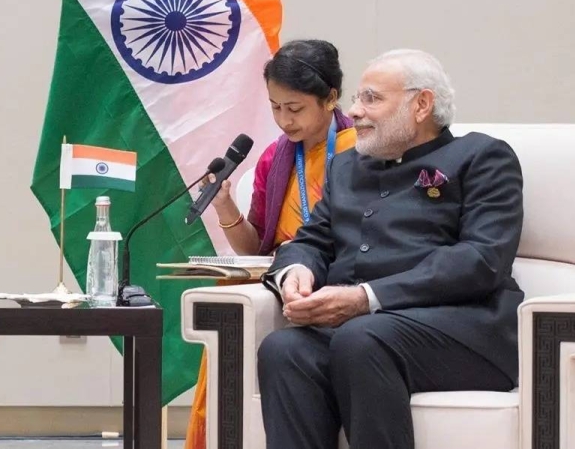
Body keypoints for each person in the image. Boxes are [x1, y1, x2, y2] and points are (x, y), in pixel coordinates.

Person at [258, 49, 523, 449]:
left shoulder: (481, 156)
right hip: (362, 331)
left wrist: (365, 298)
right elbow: (312, 240)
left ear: (421, 105)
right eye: (357, 98)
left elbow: (483, 259)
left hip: (462, 329)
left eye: (372, 98)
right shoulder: (345, 167)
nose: (354, 111)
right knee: (284, 348)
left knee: (361, 337)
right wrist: (296, 272)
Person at [186, 39, 356, 449]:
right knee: (226, 296)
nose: (284, 120)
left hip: (341, 277)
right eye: (275, 107)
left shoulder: (361, 150)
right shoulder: (274, 159)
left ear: (331, 98)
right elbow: (254, 249)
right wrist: (225, 206)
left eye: (294, 108)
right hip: (283, 281)